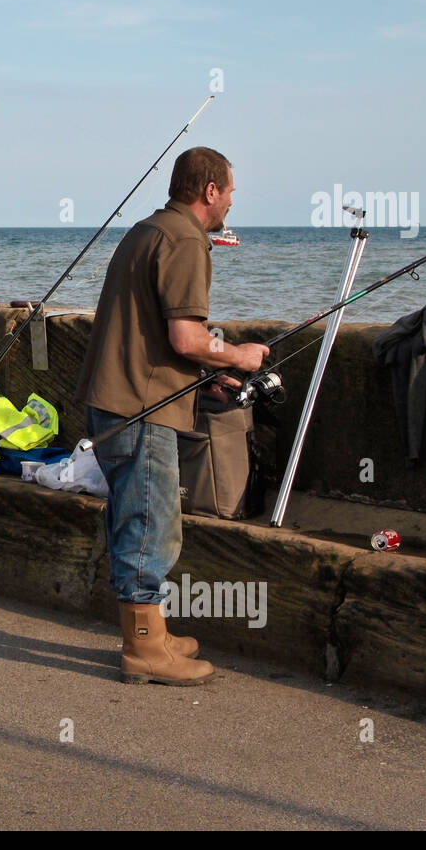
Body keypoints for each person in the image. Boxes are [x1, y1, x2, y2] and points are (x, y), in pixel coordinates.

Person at [76, 147, 269, 685]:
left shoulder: (147, 229)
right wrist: (239, 355)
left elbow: (152, 334)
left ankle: (153, 633)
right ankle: (142, 651)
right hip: (140, 407)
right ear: (210, 191)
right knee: (150, 526)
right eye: (230, 190)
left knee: (137, 517)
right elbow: (187, 338)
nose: (232, 200)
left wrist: (207, 375)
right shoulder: (185, 239)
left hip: (115, 398)